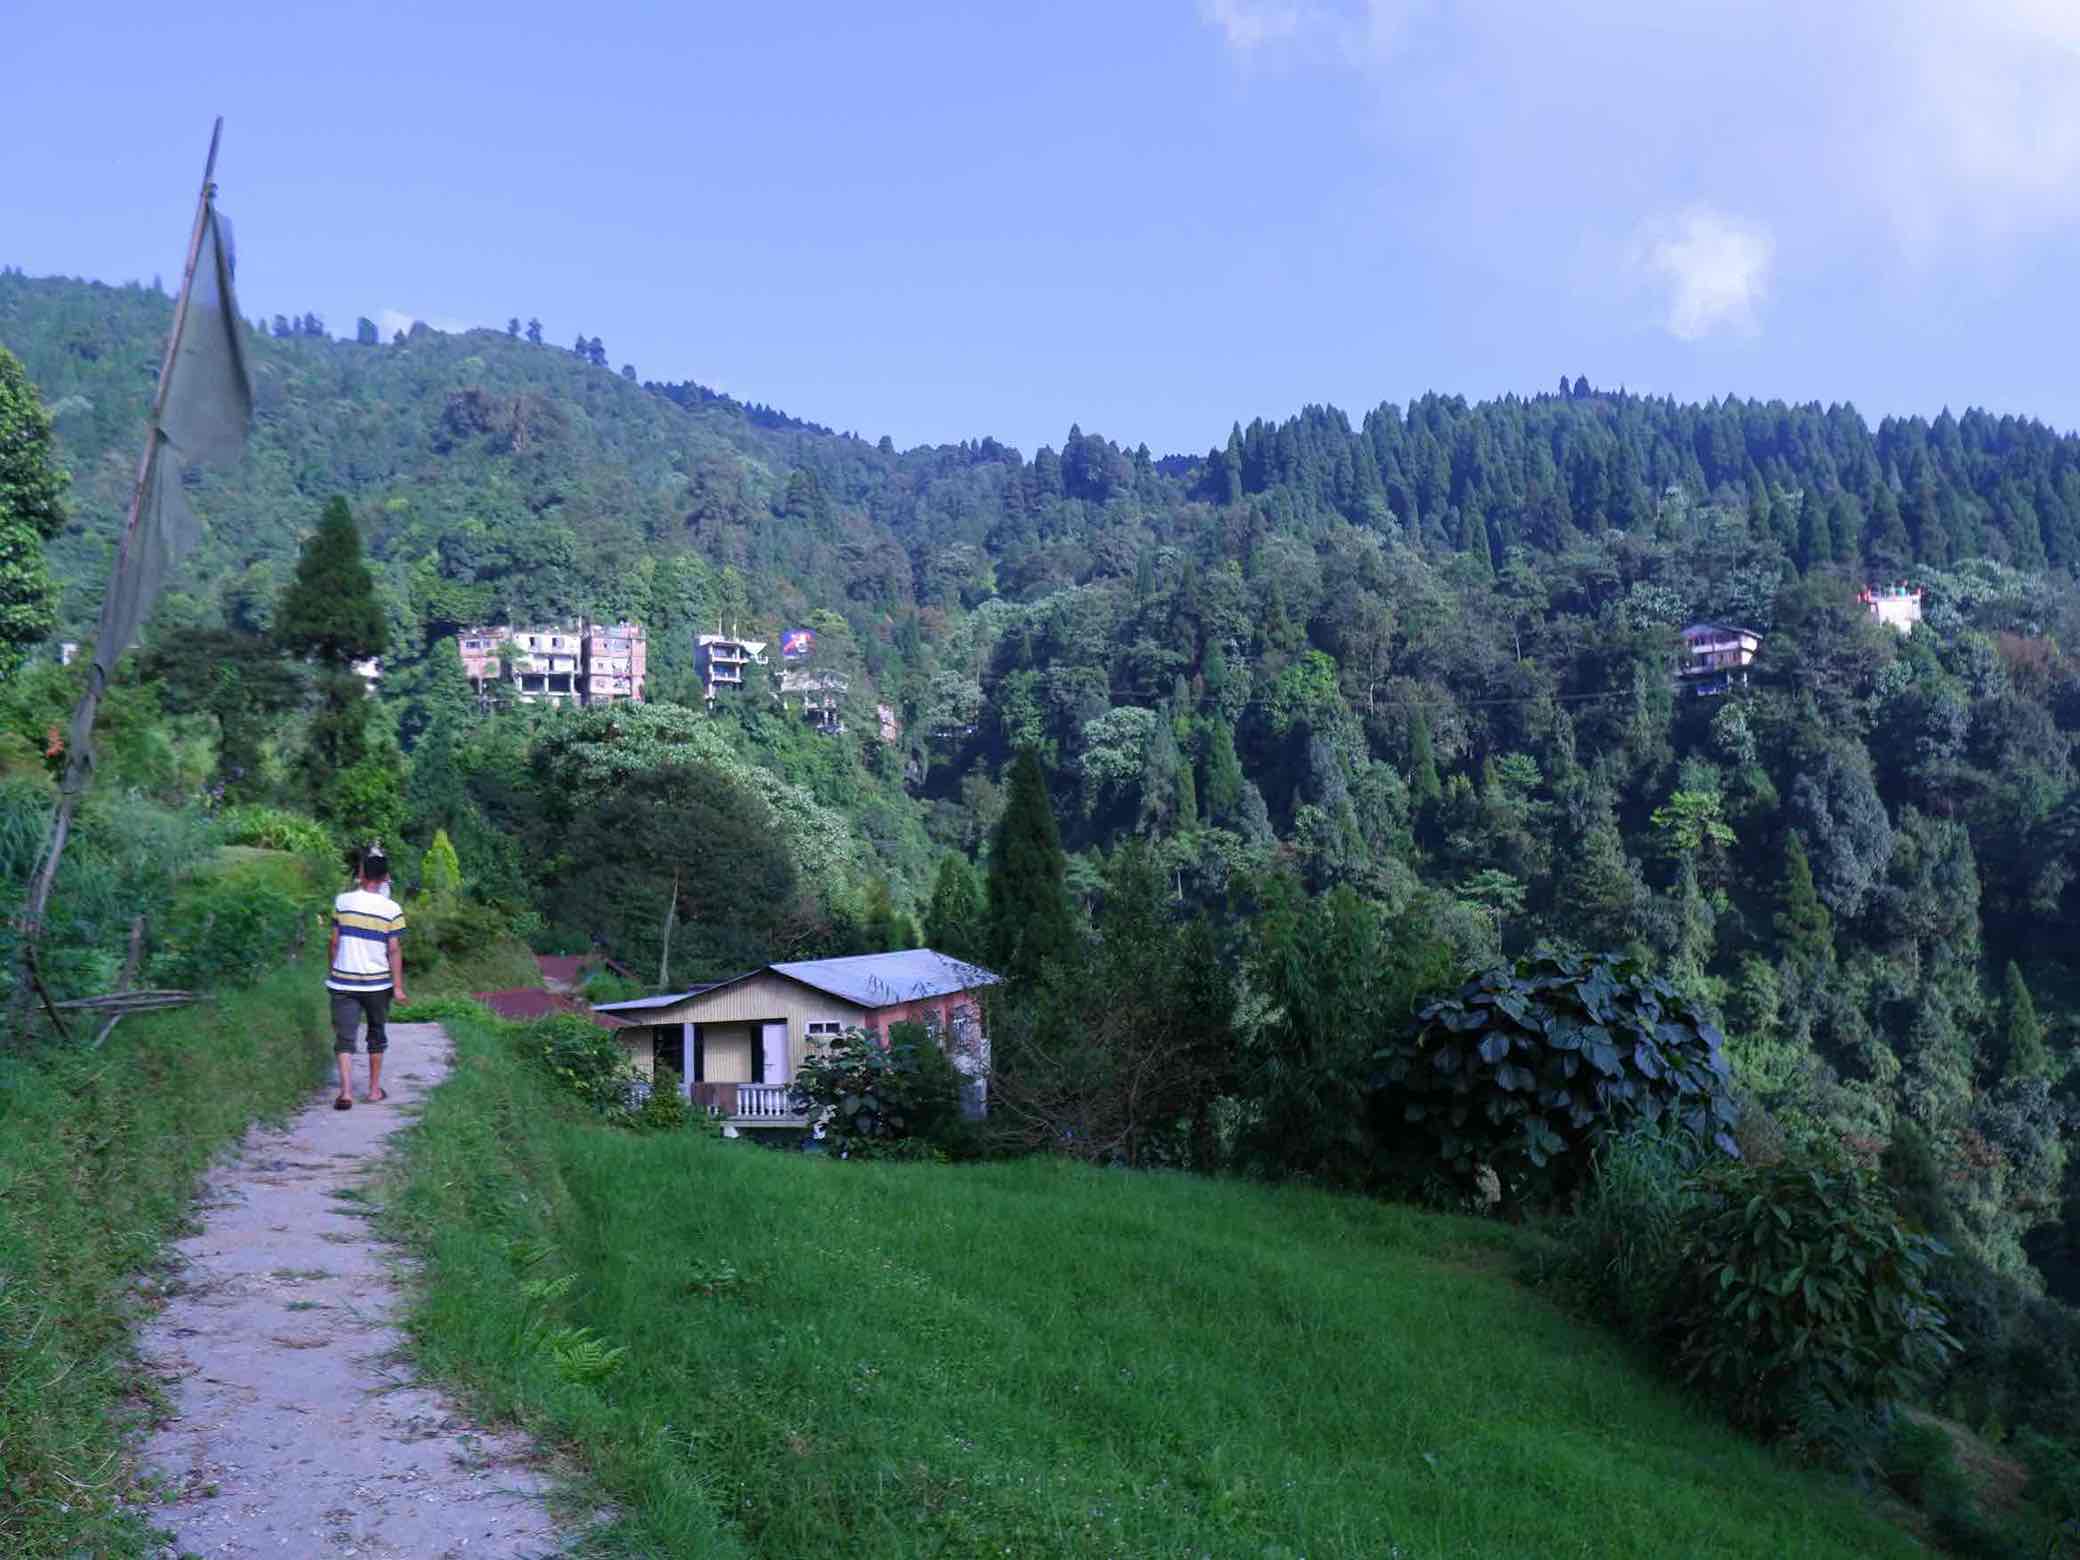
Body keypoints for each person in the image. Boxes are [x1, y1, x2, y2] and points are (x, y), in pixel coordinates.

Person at [327, 845, 406, 1109]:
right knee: (376, 1034)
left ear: (361, 874)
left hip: (343, 980)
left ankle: (346, 1093)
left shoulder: (342, 902)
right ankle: (373, 1091)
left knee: (344, 1038)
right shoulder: (392, 909)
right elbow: (393, 949)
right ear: (385, 878)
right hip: (378, 983)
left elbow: (335, 942)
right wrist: (398, 987)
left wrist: (332, 971)